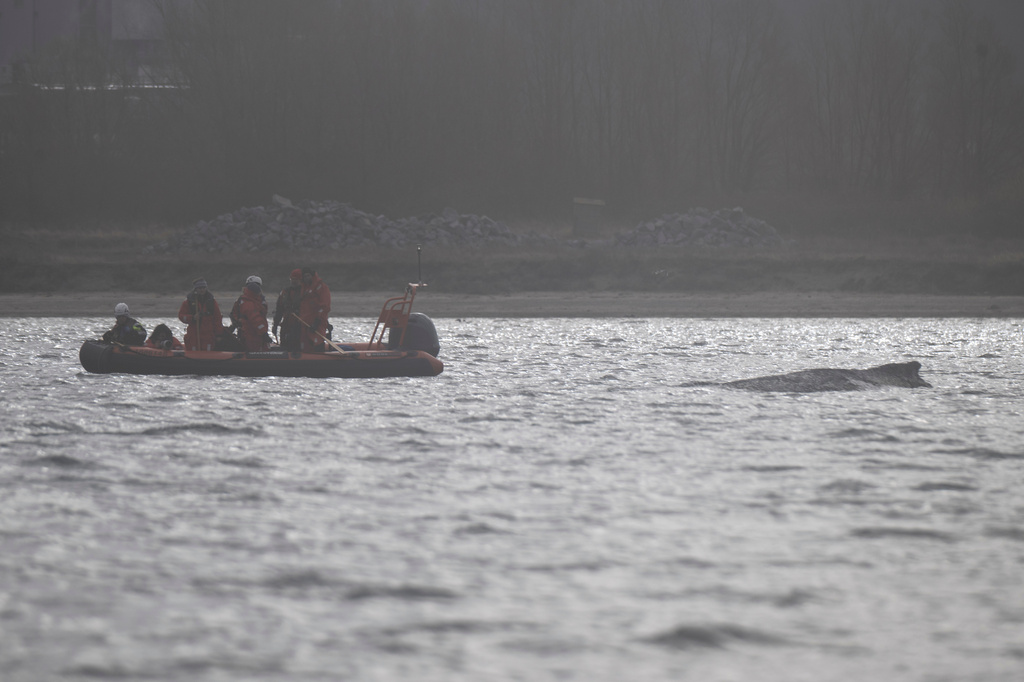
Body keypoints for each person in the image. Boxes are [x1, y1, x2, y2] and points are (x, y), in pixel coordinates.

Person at [177, 277, 224, 351]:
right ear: (195, 289)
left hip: (208, 335)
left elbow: (217, 319)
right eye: (199, 288)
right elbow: (181, 316)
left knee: (208, 352)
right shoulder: (188, 302)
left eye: (203, 287)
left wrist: (219, 334)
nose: (202, 290)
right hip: (194, 334)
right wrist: (192, 318)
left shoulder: (212, 302)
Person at [230, 275, 270, 352]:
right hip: (250, 332)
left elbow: (260, 317)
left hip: (257, 332)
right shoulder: (246, 301)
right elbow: (255, 318)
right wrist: (238, 322)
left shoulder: (260, 300)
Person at [298, 266, 331, 352]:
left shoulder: (321, 287)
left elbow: (325, 306)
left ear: (312, 276)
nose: (306, 278)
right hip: (306, 322)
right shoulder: (304, 288)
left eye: (308, 276)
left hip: (317, 322)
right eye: (304, 276)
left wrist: (317, 320)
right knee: (305, 345)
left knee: (317, 342)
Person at [272, 269, 304, 352]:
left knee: (296, 344)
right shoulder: (285, 292)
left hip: (300, 324)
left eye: (296, 279)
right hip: (286, 324)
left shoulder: (305, 292)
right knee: (284, 343)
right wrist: (275, 325)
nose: (293, 281)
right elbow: (279, 310)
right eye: (292, 279)